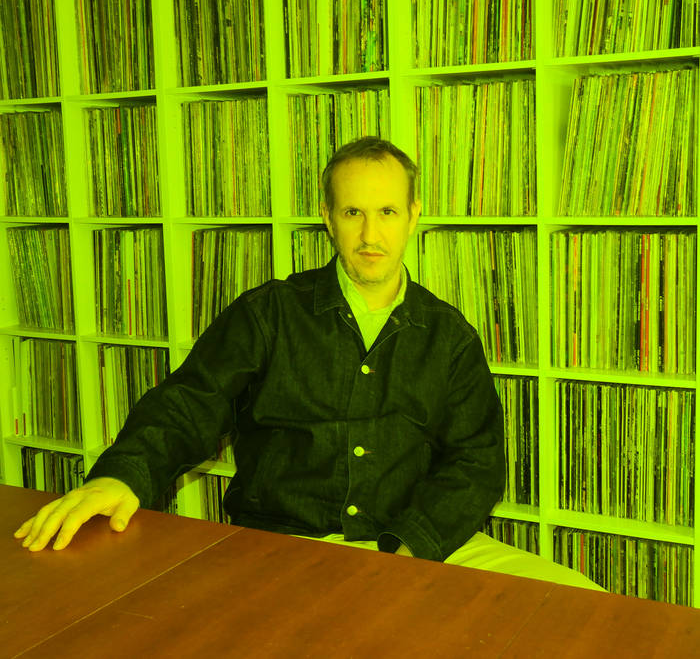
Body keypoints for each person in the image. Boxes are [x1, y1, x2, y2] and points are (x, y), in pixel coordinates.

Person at [14, 136, 604, 591]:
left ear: (413, 214)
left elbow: (477, 462)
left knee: (578, 601)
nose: (370, 234)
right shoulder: (268, 313)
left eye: (387, 212)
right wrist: (121, 476)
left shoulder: (448, 335)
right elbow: (189, 404)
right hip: (285, 547)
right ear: (327, 216)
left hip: (414, 543)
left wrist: (408, 550)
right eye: (352, 213)